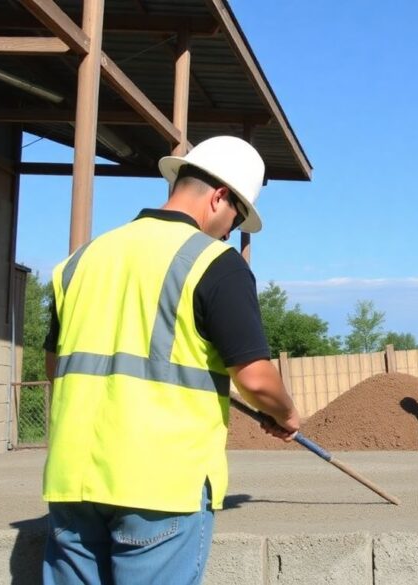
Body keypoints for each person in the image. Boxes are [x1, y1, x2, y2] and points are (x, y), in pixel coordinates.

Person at [41, 135, 300, 585]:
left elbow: (55, 367)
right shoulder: (214, 263)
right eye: (235, 217)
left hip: (73, 479)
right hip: (160, 485)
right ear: (220, 197)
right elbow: (256, 379)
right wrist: (287, 413)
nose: (229, 228)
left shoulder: (82, 260)